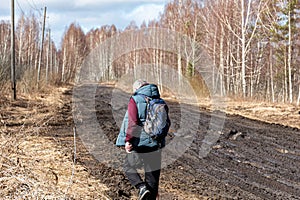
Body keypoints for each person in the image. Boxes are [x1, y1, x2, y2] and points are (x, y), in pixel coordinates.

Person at [116, 79, 170, 200]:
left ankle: (141, 187)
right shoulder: (160, 101)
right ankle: (149, 194)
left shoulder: (135, 99)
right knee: (152, 178)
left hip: (140, 143)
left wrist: (128, 140)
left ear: (137, 88)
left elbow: (132, 123)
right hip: (156, 144)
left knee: (128, 167)